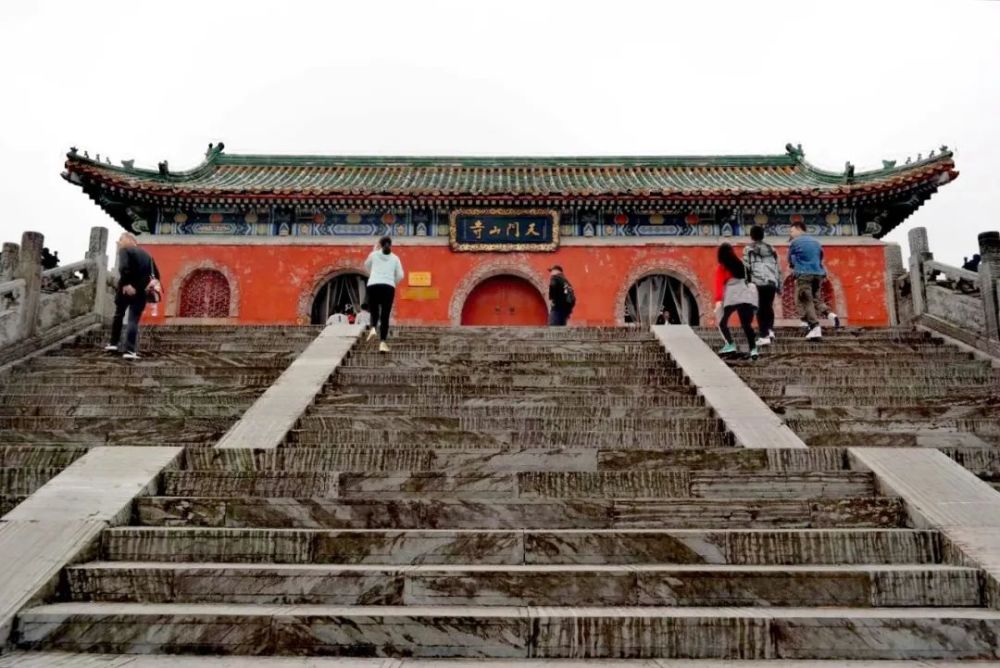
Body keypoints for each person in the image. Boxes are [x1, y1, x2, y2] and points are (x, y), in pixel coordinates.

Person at [105, 233, 159, 360]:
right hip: (141, 292)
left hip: (125, 289)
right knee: (133, 320)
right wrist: (140, 288)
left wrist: (127, 284)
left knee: (119, 314)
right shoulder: (148, 256)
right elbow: (155, 276)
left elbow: (124, 268)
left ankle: (114, 343)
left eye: (121, 239)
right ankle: (130, 350)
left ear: (130, 240)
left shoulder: (125, 250)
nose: (119, 242)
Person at [788, 221, 838, 339]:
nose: (791, 233)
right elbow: (820, 257)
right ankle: (829, 314)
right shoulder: (816, 242)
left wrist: (795, 267)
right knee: (815, 298)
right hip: (818, 273)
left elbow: (790, 259)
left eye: (792, 231)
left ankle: (815, 327)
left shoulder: (795, 242)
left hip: (804, 274)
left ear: (799, 229)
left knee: (806, 300)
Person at [715, 242, 759, 359]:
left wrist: (718, 300)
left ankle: (730, 344)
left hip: (731, 297)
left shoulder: (722, 266)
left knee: (723, 323)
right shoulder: (741, 264)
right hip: (745, 295)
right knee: (746, 325)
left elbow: (719, 284)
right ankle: (754, 349)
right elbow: (749, 279)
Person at [743, 225, 781, 346]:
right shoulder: (772, 249)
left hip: (757, 281)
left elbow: (746, 267)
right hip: (771, 281)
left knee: (759, 307)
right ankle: (770, 330)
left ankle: (763, 335)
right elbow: (777, 267)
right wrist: (778, 284)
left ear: (752, 236)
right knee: (768, 306)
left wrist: (747, 283)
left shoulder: (748, 249)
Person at [364, 236, 404, 352]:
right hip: (388, 286)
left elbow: (366, 265)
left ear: (380, 245)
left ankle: (372, 329)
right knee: (385, 315)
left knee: (374, 310)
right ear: (390, 245)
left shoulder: (374, 255)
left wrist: (374, 251)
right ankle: (382, 342)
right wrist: (392, 282)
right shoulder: (395, 258)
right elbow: (401, 275)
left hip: (373, 285)